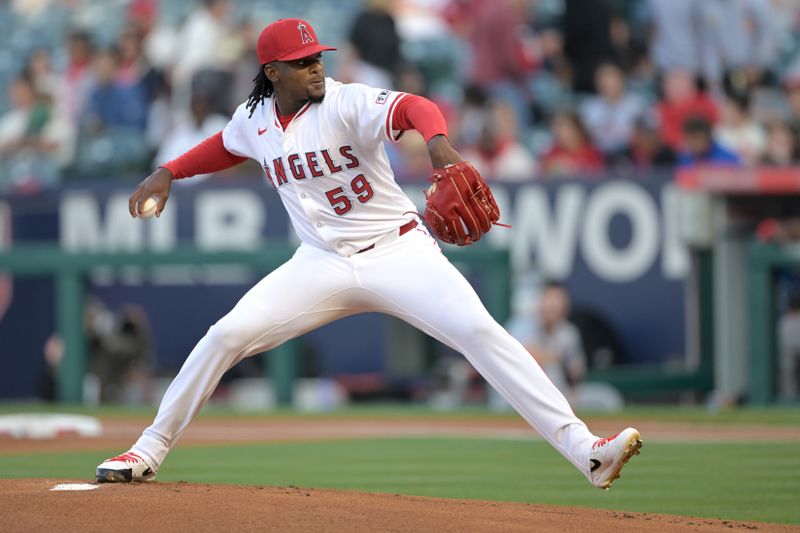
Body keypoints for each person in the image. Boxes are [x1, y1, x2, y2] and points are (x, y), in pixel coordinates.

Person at [95, 18, 641, 490]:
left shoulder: (345, 101)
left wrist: (438, 144)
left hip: (399, 253)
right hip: (320, 263)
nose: (315, 68)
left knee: (482, 333)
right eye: (301, 61)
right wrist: (170, 171)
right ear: (271, 74)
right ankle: (147, 450)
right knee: (225, 335)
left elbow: (415, 106)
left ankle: (586, 451)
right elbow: (224, 145)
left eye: (317, 57)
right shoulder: (254, 119)